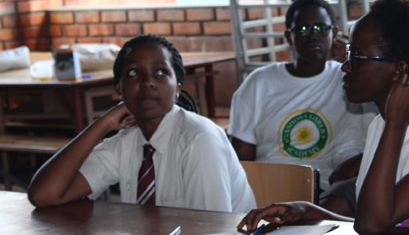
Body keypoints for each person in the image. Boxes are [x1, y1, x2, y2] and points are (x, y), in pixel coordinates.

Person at [237, 0, 409, 235]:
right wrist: (310, 211)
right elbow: (374, 222)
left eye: (356, 57)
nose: (345, 66)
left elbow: (372, 224)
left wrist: (396, 123)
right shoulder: (380, 125)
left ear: (399, 70)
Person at [28, 34, 255, 213]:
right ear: (119, 89)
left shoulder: (199, 139)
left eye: (160, 72)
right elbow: (44, 195)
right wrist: (103, 124)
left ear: (177, 88)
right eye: (134, 73)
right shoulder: (127, 142)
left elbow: (210, 233)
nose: (148, 83)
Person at [227, 0, 368, 215]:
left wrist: (349, 51)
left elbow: (371, 65)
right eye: (302, 29)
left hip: (323, 193)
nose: (313, 36)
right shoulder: (259, 83)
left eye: (321, 28)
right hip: (267, 190)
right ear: (288, 37)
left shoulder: (348, 78)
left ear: (335, 34)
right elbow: (242, 160)